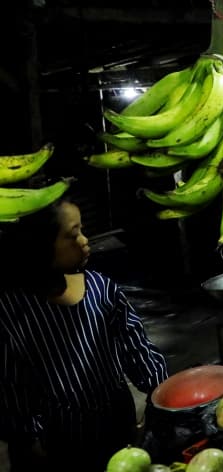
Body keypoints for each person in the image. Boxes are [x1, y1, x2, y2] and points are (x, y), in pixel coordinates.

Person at [0, 195, 169, 472]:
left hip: (116, 420)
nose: (84, 241)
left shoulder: (101, 289)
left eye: (82, 231)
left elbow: (137, 349)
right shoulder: (12, 309)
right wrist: (27, 437)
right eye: (72, 235)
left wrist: (159, 394)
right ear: (40, 245)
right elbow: (10, 384)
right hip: (56, 439)